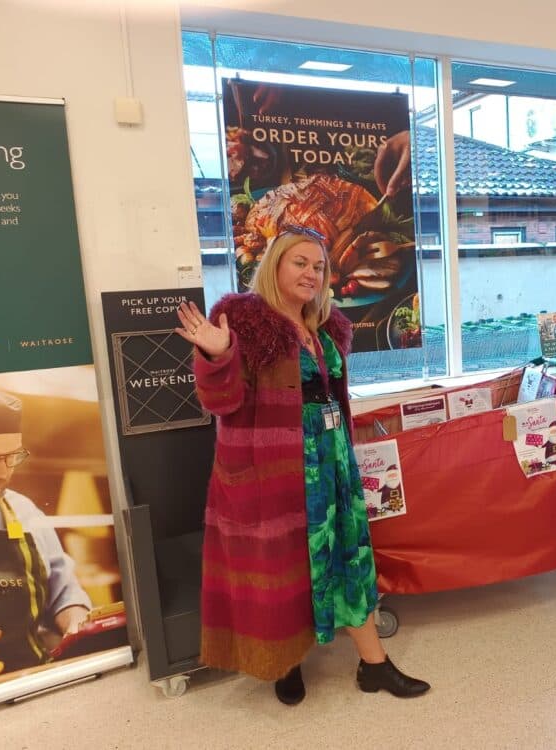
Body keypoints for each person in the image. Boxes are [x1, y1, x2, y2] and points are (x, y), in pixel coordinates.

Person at [176, 227, 429, 704]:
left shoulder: (325, 325)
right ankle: (284, 663)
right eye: (300, 263)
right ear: (275, 264)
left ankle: (374, 665)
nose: (311, 273)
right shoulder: (241, 320)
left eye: (319, 266)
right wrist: (217, 354)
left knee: (348, 557)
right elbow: (222, 401)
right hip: (273, 470)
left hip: (331, 461)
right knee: (285, 569)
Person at [0, 390, 92, 677]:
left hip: (33, 678)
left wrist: (76, 621)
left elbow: (62, 593)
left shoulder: (24, 512)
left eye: (11, 457)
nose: (1, 474)